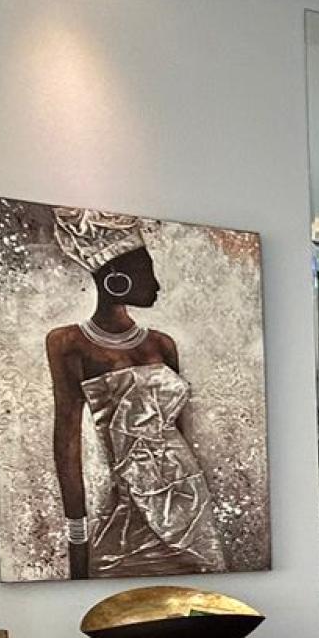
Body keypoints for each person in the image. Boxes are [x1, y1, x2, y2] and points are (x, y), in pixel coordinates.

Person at [42, 208, 225, 578]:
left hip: (188, 505)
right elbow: (67, 442)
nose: (156, 283)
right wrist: (77, 537)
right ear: (116, 276)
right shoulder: (68, 343)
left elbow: (181, 433)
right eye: (146, 270)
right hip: (126, 508)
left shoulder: (162, 344)